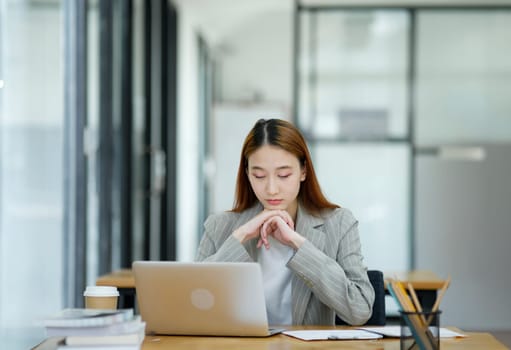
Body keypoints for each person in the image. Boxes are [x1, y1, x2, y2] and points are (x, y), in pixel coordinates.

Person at [196, 118, 374, 326]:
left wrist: (299, 244)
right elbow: (193, 304)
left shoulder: (339, 223)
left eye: (283, 175)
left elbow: (360, 310)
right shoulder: (219, 226)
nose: (271, 189)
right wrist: (241, 236)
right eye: (259, 176)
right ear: (247, 174)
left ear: (303, 171)